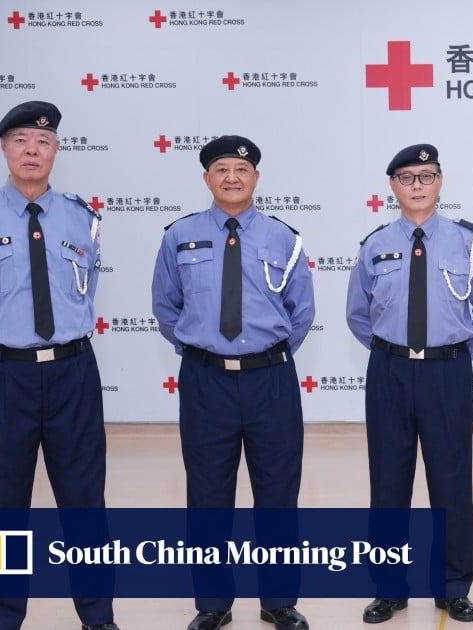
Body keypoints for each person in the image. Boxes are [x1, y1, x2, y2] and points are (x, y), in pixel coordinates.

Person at [0, 101, 119, 630]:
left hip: (72, 375)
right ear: (4, 148)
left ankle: (97, 616)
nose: (31, 150)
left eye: (42, 141)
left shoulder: (82, 218)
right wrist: (1, 352)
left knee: (85, 502)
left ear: (57, 150)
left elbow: (85, 293)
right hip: (2, 378)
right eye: (20, 140)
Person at [151, 135, 315, 630]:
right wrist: (203, 352)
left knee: (278, 495)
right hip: (205, 382)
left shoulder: (284, 238)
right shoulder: (179, 236)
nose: (231, 177)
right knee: (207, 496)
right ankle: (213, 605)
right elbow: (166, 306)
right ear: (207, 179)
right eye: (220, 169)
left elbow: (301, 313)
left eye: (241, 169)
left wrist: (262, 353)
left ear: (256, 179)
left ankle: (278, 602)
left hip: (271, 382)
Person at [345, 143, 473, 624]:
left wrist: (451, 355)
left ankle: (452, 586)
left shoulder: (468, 242)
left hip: (446, 373)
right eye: (407, 177)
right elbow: (357, 314)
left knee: (451, 483)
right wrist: (397, 354)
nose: (417, 185)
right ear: (393, 186)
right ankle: (389, 588)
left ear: (440, 181)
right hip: (389, 371)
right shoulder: (373, 244)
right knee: (388, 483)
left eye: (427, 176)